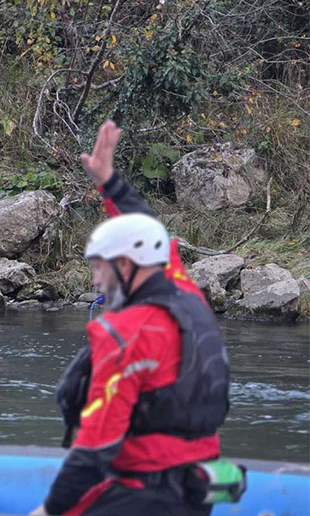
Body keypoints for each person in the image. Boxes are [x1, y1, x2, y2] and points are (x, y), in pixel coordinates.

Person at [30, 120, 231, 516]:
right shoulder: (187, 294)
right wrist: (109, 182)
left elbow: (95, 446)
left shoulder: (125, 332)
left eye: (99, 267)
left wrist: (50, 510)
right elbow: (151, 233)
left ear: (125, 264)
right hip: (203, 487)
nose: (95, 279)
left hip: (145, 496)